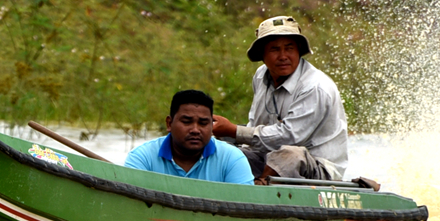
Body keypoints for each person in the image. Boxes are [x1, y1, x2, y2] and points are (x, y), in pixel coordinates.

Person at [210, 15, 366, 186]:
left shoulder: (315, 86)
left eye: (289, 48)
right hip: (268, 157)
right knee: (219, 149)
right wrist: (224, 138)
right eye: (275, 49)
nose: (283, 56)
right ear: (262, 54)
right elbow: (256, 125)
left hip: (317, 169)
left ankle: (259, 189)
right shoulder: (261, 76)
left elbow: (289, 138)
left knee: (289, 155)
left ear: (298, 50)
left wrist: (233, 131)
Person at [123, 90, 253, 184]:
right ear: (169, 123)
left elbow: (245, 208)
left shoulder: (232, 159)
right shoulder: (142, 158)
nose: (195, 130)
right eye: (186, 121)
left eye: (203, 123)